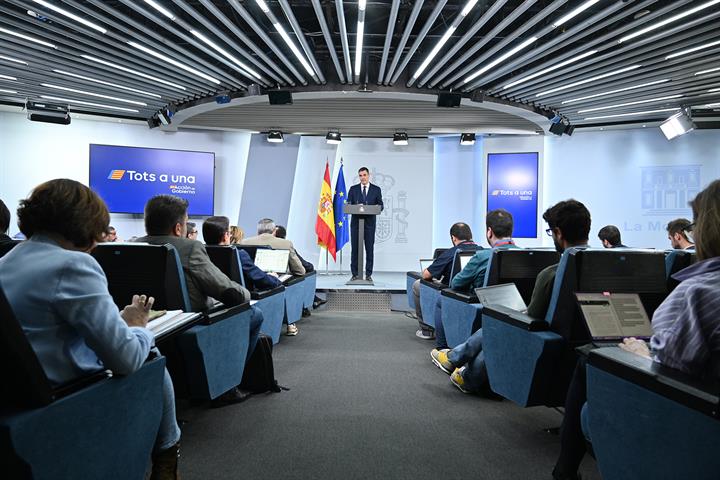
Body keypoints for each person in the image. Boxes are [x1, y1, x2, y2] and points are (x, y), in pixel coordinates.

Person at [0, 179, 181, 479]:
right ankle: (167, 456)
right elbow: (125, 360)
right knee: (151, 355)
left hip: (16, 395)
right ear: (87, 224)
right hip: (65, 396)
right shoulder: (74, 265)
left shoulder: (7, 261)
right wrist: (137, 325)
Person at [552, 182, 720, 480]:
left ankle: (566, 470)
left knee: (589, 359)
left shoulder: (698, 294)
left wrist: (642, 354)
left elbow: (670, 375)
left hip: (692, 421)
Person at [431, 200, 591, 395]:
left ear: (559, 233)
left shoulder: (551, 273)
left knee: (497, 323)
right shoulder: (600, 268)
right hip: (581, 342)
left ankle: (462, 369)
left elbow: (533, 315)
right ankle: (457, 363)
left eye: (551, 232)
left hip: (538, 335)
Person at [136, 196, 262, 405]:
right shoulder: (189, 248)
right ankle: (227, 384)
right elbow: (227, 290)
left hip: (148, 321)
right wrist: (247, 295)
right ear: (178, 228)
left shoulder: (134, 245)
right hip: (193, 321)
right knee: (255, 314)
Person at [432, 210, 519, 349]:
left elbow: (456, 283)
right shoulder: (523, 254)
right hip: (516, 310)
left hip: (482, 306)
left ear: (489, 232)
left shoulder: (482, 256)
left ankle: (442, 349)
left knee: (440, 298)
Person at [413, 222, 477, 340]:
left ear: (453, 238)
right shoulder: (482, 251)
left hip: (452, 292)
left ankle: (427, 331)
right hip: (475, 293)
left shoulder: (451, 253)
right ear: (470, 236)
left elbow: (426, 275)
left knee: (417, 285)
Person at [242, 218, 305, 335]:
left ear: (258, 231)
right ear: (274, 231)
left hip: (249, 283)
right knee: (288, 282)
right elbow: (300, 271)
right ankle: (290, 323)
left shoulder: (244, 242)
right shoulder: (285, 243)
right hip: (273, 281)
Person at [203, 216, 281, 292]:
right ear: (225, 236)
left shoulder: (201, 253)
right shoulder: (238, 254)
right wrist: (274, 278)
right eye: (229, 233)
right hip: (239, 300)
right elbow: (260, 279)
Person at [347, 167, 384, 282]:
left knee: (369, 249)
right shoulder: (353, 189)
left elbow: (381, 205)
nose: (362, 177)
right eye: (360, 175)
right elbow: (348, 204)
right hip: (356, 225)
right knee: (355, 250)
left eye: (364, 175)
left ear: (369, 175)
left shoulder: (376, 189)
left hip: (369, 224)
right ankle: (354, 274)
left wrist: (373, 208)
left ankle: (368, 274)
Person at [274, 224, 320, 316]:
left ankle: (313, 300)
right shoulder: (286, 245)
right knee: (304, 273)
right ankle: (307, 305)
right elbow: (304, 266)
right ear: (283, 237)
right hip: (280, 279)